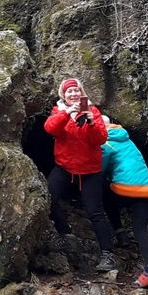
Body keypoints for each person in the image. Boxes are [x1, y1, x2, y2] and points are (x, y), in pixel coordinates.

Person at [44, 78, 117, 271]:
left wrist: (91, 122)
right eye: (69, 92)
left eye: (76, 91)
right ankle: (66, 235)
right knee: (48, 199)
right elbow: (50, 129)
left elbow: (101, 139)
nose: (74, 94)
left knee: (95, 211)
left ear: (82, 93)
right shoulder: (58, 111)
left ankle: (108, 255)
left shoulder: (92, 111)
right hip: (65, 167)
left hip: (89, 170)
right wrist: (67, 113)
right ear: (63, 96)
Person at [101, 116, 148, 287]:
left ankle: (120, 232)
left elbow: (102, 168)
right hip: (147, 190)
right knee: (141, 229)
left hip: (125, 189)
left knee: (105, 195)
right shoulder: (125, 137)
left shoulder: (105, 141)